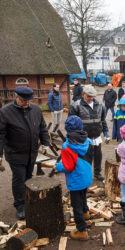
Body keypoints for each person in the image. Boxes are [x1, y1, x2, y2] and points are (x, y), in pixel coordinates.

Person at [0, 86, 49, 219]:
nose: (26, 103)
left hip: (31, 152)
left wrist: (45, 143)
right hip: (15, 153)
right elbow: (1, 135)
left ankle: (29, 199)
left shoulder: (36, 110)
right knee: (19, 178)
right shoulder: (5, 112)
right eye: (23, 101)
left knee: (28, 177)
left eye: (28, 101)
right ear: (16, 97)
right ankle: (20, 205)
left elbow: (42, 128)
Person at [55, 116, 93, 240]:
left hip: (76, 179)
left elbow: (68, 166)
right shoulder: (88, 141)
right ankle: (86, 213)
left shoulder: (67, 146)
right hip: (86, 176)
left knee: (76, 205)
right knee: (83, 196)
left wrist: (58, 166)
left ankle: (82, 230)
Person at [68, 85, 110, 181]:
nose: (91, 98)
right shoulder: (76, 106)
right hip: (84, 138)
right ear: (83, 94)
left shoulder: (100, 105)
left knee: (98, 155)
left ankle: (97, 172)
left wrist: (106, 133)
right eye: (89, 96)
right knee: (85, 158)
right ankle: (86, 175)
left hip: (97, 137)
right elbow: (71, 123)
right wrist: (74, 138)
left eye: (93, 96)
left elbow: (103, 120)